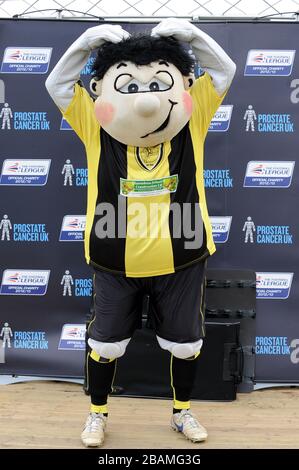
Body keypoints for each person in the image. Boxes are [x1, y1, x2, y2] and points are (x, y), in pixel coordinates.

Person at [46, 18, 236, 447]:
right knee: (105, 341)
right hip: (115, 261)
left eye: (159, 83)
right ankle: (97, 414)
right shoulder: (95, 127)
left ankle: (182, 412)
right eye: (131, 86)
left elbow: (224, 72)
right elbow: (57, 85)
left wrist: (192, 38)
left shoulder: (194, 120)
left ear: (183, 85)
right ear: (101, 92)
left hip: (182, 256)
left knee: (186, 342)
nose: (147, 100)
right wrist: (86, 43)